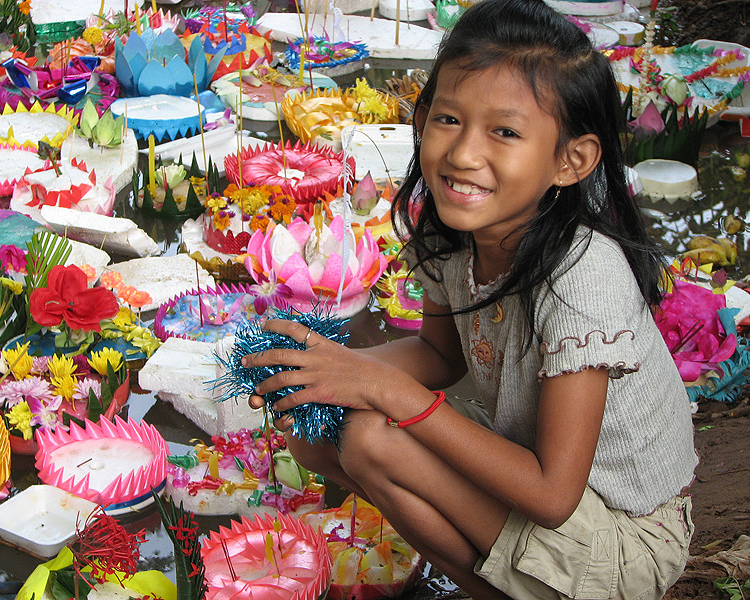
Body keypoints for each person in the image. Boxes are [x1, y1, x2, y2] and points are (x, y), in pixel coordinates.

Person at [243, 0, 698, 597]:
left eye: (504, 132)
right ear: (423, 118)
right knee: (313, 425)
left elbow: (552, 496)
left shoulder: (584, 277)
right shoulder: (450, 229)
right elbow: (440, 352)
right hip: (531, 467)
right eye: (449, 120)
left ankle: (488, 588)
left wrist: (384, 388)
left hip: (624, 534)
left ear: (571, 160)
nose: (462, 155)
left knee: (371, 437)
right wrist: (323, 371)